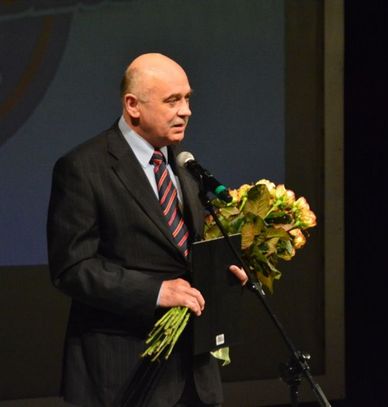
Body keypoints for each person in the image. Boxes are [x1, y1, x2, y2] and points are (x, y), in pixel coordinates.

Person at [47, 53, 248, 407]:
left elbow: (182, 253)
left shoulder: (185, 164)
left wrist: (223, 273)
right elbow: (73, 268)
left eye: (188, 98)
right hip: (124, 374)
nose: (186, 111)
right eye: (172, 100)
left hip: (195, 375)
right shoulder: (83, 168)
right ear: (133, 105)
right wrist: (156, 292)